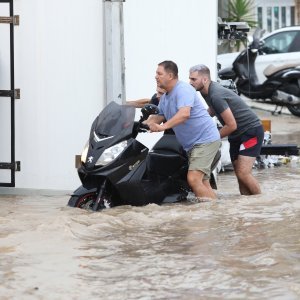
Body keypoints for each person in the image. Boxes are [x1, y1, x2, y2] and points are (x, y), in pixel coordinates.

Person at [144, 60, 221, 200]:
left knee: (193, 179)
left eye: (159, 73)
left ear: (170, 75)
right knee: (203, 182)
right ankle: (214, 214)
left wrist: (163, 127)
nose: (156, 76)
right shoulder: (165, 98)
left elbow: (184, 114)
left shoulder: (183, 89)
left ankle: (211, 214)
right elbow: (158, 117)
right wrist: (136, 125)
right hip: (194, 144)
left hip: (205, 140)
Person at [189, 64, 264, 195]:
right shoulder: (206, 92)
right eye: (190, 79)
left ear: (205, 79)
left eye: (193, 79)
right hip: (236, 135)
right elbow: (212, 109)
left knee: (243, 173)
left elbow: (231, 125)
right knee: (239, 175)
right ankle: (247, 207)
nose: (190, 82)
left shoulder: (216, 94)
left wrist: (210, 139)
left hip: (250, 131)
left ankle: (259, 203)